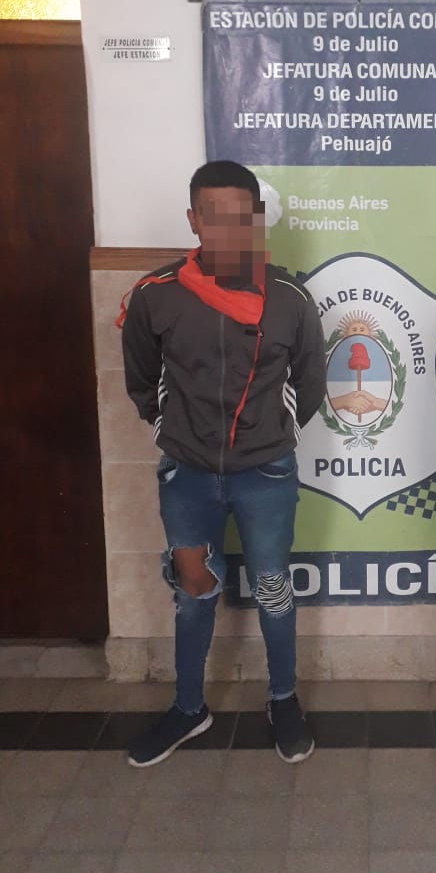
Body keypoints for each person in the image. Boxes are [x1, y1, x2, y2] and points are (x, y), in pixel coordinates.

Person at [119, 160, 326, 767]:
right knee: (193, 591)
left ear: (256, 220)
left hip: (266, 474)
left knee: (272, 587)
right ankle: (189, 708)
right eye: (215, 217)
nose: (229, 231)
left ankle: (283, 700)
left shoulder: (289, 299)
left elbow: (309, 384)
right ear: (194, 220)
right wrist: (175, 431)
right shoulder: (156, 295)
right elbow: (141, 380)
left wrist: (271, 437)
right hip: (185, 477)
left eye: (242, 218)